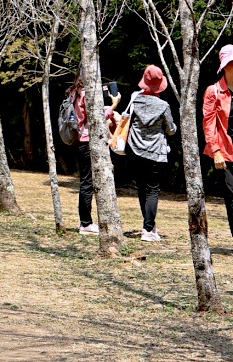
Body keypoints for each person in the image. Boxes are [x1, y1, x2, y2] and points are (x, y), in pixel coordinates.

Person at [126, 64, 176, 242]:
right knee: (152, 189)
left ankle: (148, 224)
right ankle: (148, 229)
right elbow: (170, 130)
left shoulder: (135, 100)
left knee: (141, 187)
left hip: (135, 149)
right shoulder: (163, 105)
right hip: (155, 152)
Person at [69, 73, 121, 235]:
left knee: (86, 182)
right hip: (88, 141)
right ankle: (85, 223)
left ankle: (86, 221)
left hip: (80, 140)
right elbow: (96, 119)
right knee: (87, 183)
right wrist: (113, 105)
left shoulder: (74, 93)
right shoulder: (85, 94)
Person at [202, 43, 233, 236]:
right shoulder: (213, 91)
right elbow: (209, 123)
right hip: (226, 154)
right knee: (232, 197)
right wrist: (215, 151)